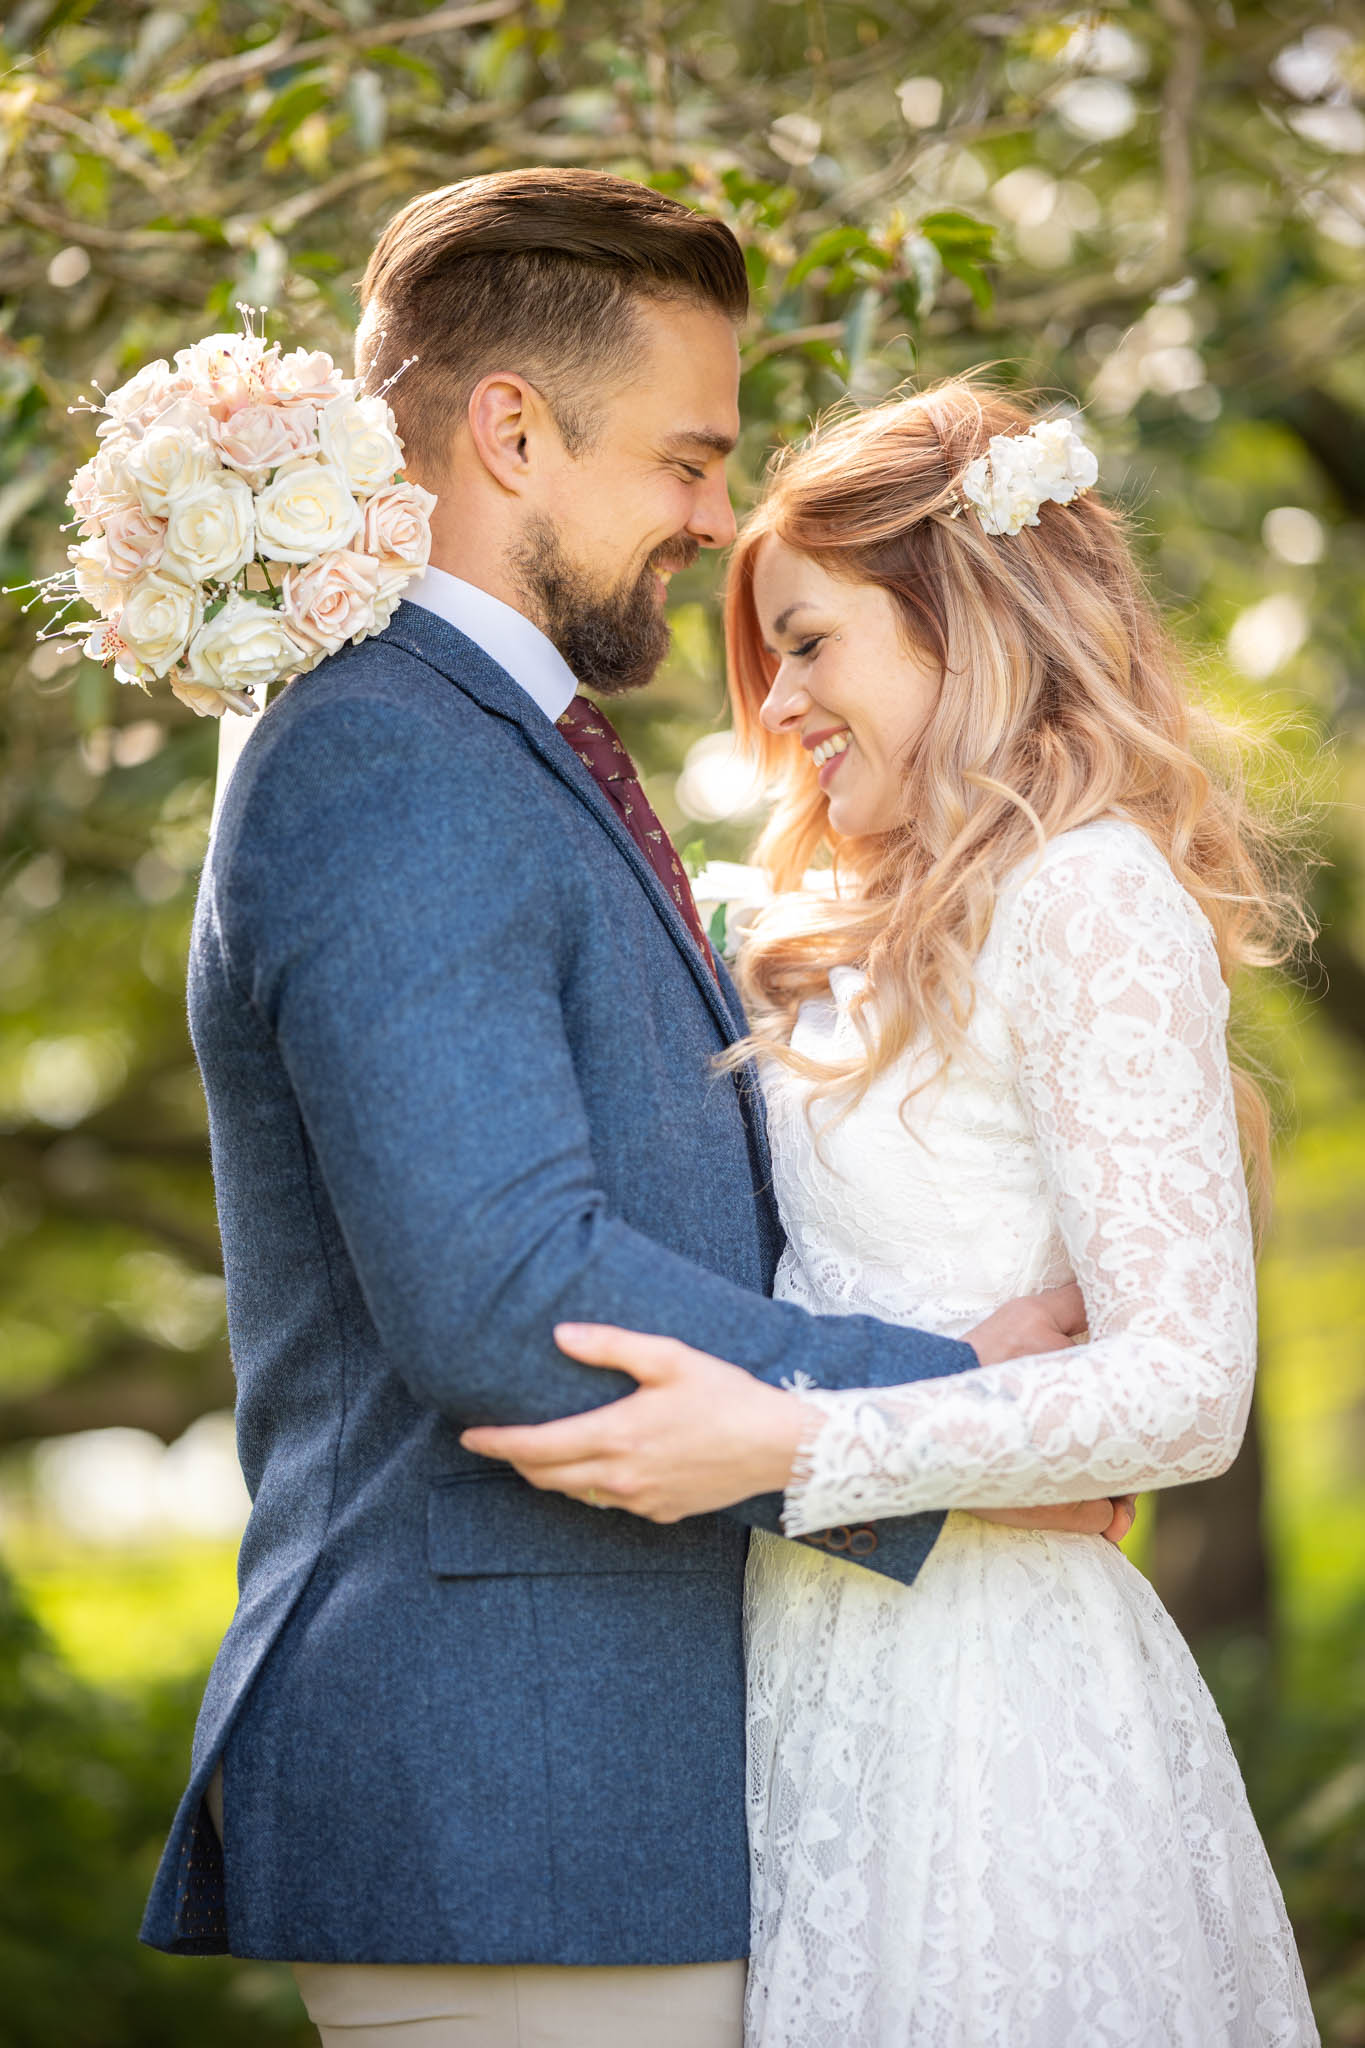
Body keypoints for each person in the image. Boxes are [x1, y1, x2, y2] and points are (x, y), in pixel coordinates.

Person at [139, 175, 1124, 2048]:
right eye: (686, 458)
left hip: (597, 1797)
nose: (710, 518)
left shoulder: (482, 740)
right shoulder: (385, 750)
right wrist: (950, 1411)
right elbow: (508, 1295)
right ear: (512, 431)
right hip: (515, 1797)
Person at [461, 379, 1320, 2045]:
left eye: (808, 644)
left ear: (963, 621)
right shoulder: (823, 923)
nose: (778, 704)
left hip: (994, 1696)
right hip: (810, 1666)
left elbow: (1185, 1388)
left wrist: (801, 1441)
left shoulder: (1087, 895)